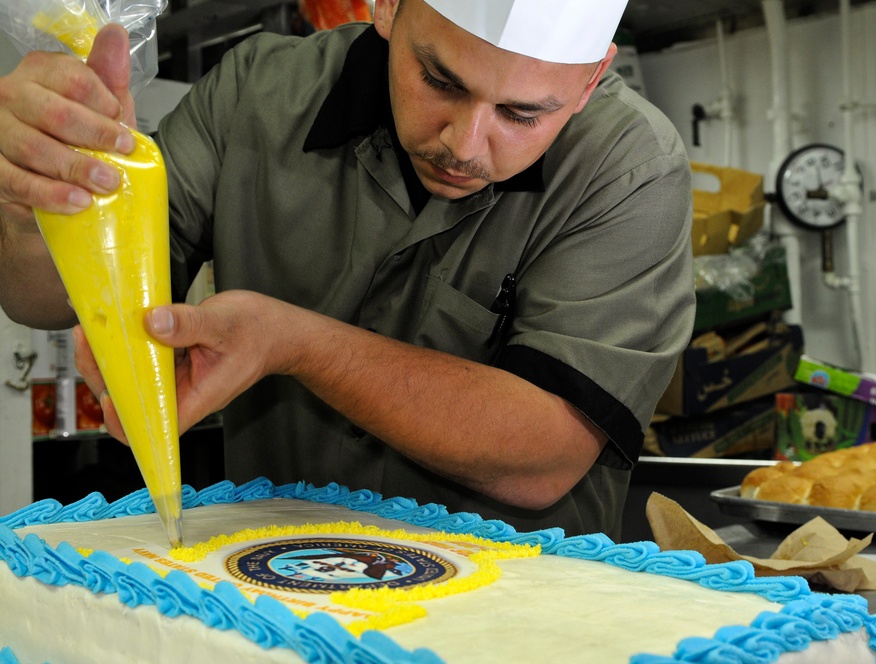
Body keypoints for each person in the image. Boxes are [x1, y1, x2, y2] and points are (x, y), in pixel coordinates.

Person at [0, 0, 694, 539]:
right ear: (386, 6)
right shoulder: (255, 96)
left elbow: (545, 456)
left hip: (516, 627)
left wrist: (297, 345)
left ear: (591, 79)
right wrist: (40, 201)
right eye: (439, 80)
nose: (465, 144)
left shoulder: (629, 167)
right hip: (274, 603)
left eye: (523, 114)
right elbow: (44, 300)